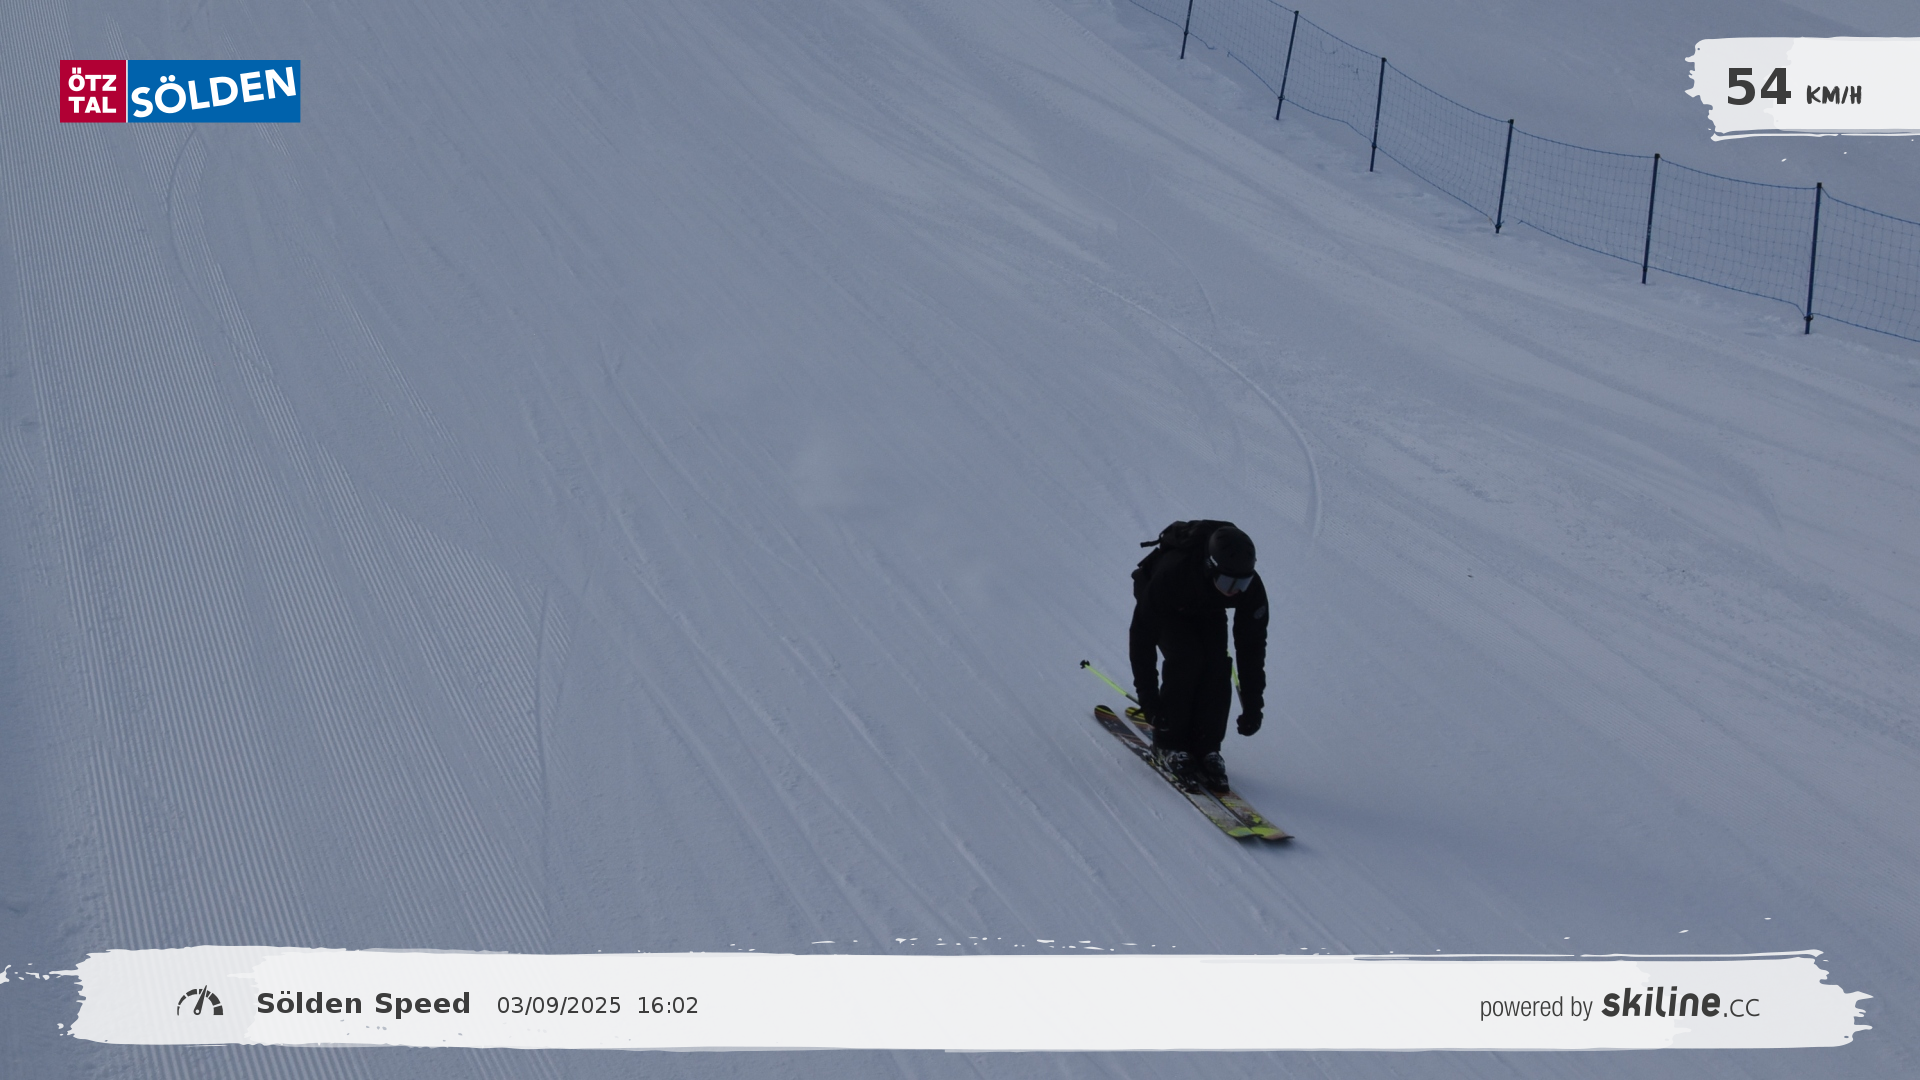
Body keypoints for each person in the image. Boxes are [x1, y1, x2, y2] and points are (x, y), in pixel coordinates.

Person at [1128, 521, 1267, 793]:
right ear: (1210, 567)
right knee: (1185, 659)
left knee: (1216, 665)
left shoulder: (1248, 588)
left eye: (1242, 582)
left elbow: (1252, 647)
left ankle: (1207, 747)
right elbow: (1141, 639)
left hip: (1207, 606)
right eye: (1228, 581)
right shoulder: (1173, 573)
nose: (1235, 590)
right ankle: (1168, 744)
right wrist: (1149, 701)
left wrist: (1253, 705)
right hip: (1167, 603)